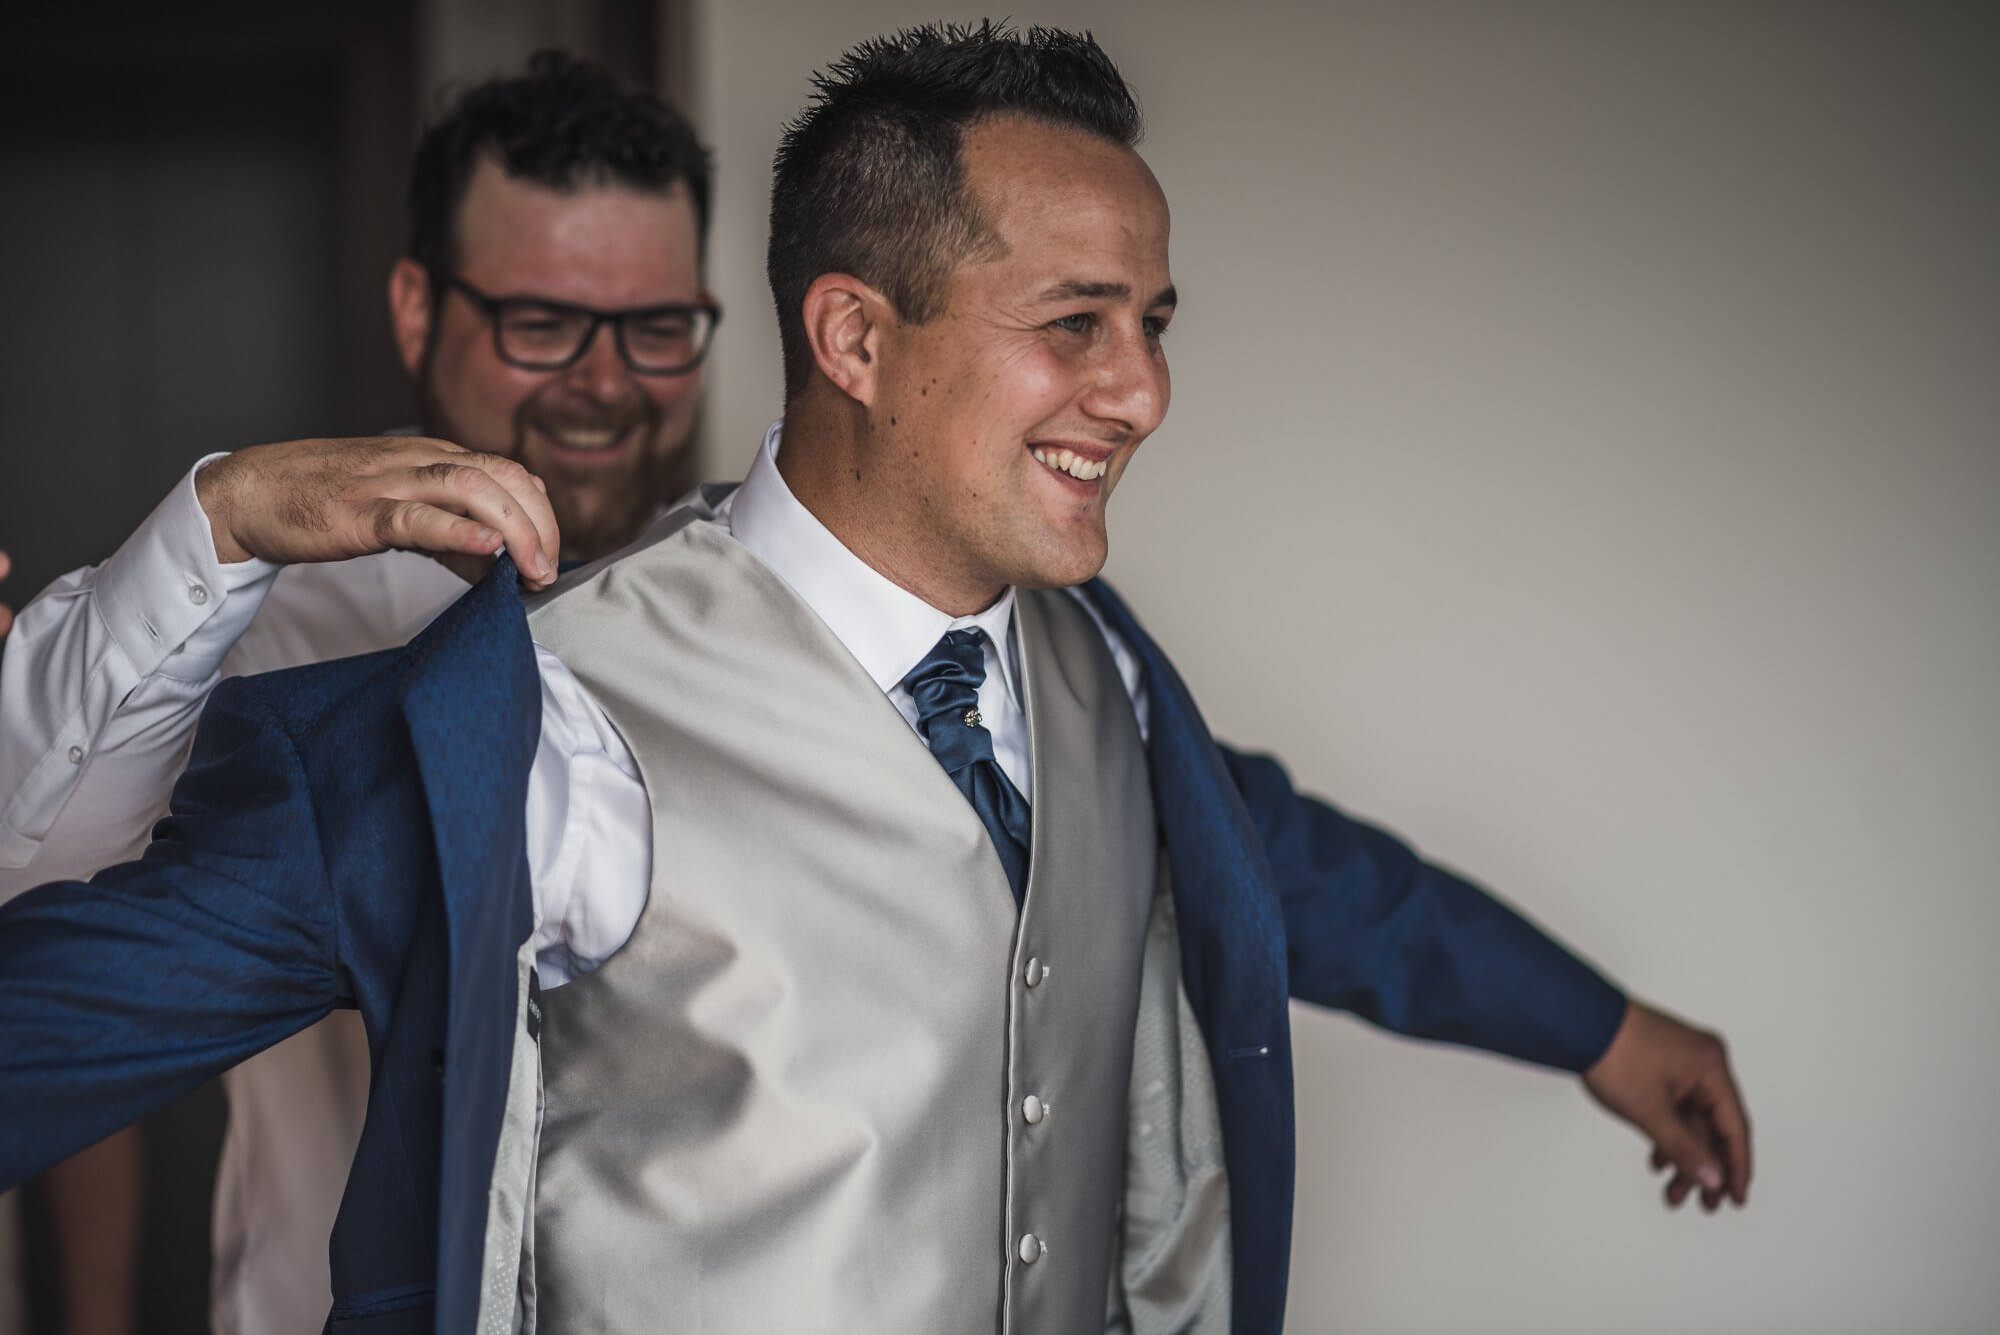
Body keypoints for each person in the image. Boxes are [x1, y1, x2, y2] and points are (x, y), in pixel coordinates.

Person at [0, 23, 1750, 1334]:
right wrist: (219, 525)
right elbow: (56, 1006)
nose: (1143, 392)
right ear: (852, 335)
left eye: (1152, 325)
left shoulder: (1101, 681)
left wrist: (1602, 1027)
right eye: (1075, 324)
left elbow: (1292, 864)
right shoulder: (508, 723)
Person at [0, 53, 713, 1335]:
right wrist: (222, 518)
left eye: (654, 328)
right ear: (415, 310)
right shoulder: (255, 629)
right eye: (541, 322)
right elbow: (39, 885)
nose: (605, 380)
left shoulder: (752, 622)